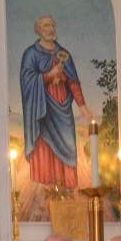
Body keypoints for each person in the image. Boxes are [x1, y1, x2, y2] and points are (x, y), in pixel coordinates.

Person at [19, 15, 94, 188]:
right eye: (46, 25)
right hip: (42, 108)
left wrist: (82, 105)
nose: (51, 28)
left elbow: (73, 81)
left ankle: (68, 188)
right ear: (38, 29)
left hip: (63, 108)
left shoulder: (64, 55)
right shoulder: (31, 54)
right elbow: (27, 80)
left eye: (53, 25)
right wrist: (49, 75)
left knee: (67, 145)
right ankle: (45, 191)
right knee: (44, 146)